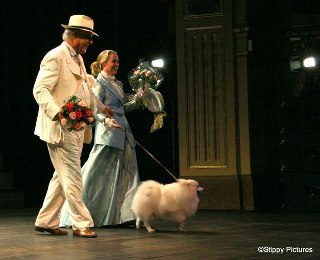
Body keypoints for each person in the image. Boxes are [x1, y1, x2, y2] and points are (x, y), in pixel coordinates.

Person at [33, 15, 119, 238]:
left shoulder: (78, 59)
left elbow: (85, 92)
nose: (90, 42)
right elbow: (40, 90)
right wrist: (58, 113)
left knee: (61, 175)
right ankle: (82, 222)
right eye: (87, 38)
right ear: (73, 36)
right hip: (62, 126)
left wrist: (101, 108)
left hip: (77, 126)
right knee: (71, 174)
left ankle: (46, 220)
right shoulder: (55, 56)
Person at [60, 50, 141, 227]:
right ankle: (76, 212)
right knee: (97, 174)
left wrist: (139, 99)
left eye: (118, 61)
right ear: (103, 63)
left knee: (125, 174)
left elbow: (122, 108)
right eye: (114, 61)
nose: (117, 64)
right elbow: (93, 108)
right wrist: (105, 120)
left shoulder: (118, 83)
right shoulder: (99, 83)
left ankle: (122, 216)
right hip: (108, 133)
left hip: (124, 131)